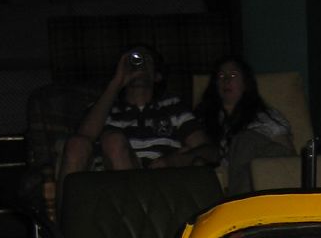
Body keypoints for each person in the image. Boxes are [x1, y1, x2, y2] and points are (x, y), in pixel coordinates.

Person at [55, 45, 211, 201]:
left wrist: (174, 160)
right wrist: (117, 82)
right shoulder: (103, 108)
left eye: (146, 60)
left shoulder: (173, 106)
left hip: (158, 184)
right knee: (90, 142)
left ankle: (136, 219)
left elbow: (209, 151)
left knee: (113, 141)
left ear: (157, 75)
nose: (139, 65)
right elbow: (83, 138)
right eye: (133, 61)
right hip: (108, 188)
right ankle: (65, 223)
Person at [196, 54, 295, 196]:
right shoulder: (205, 117)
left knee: (245, 140)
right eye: (221, 76)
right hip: (232, 171)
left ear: (245, 83)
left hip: (268, 168)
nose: (227, 80)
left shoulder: (264, 116)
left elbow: (287, 154)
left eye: (233, 75)